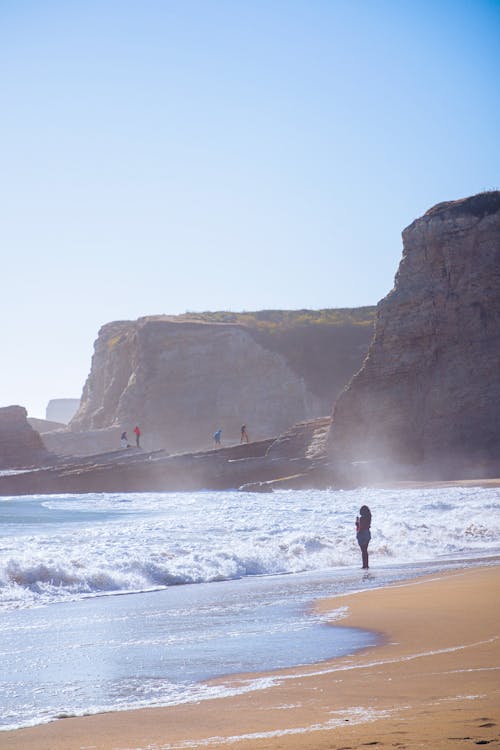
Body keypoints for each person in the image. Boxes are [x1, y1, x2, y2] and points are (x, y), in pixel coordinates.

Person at [355, 505, 372, 569]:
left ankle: (364, 565)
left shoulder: (362, 518)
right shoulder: (368, 517)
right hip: (367, 533)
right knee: (365, 551)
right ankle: (366, 565)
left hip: (362, 534)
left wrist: (357, 522)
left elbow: (360, 527)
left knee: (363, 551)